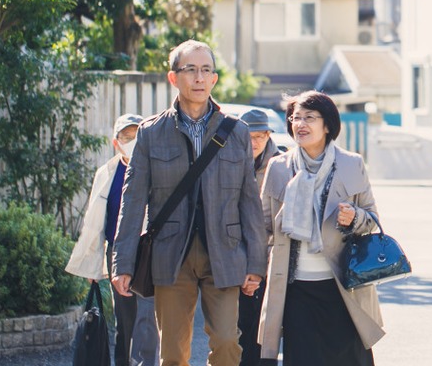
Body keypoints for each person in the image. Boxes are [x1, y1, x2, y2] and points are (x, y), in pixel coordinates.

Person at [111, 39, 267, 366]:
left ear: (214, 79)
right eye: (191, 70)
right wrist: (122, 262)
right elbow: (133, 199)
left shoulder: (236, 132)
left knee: (227, 343)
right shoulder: (151, 132)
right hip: (171, 255)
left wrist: (255, 263)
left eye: (206, 70)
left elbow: (249, 199)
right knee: (172, 353)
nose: (199, 77)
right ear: (174, 77)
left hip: (224, 251)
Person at [258, 91, 385, 366]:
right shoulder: (278, 167)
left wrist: (354, 217)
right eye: (295, 118)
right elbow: (264, 228)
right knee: (303, 358)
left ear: (327, 125)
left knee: (348, 358)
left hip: (343, 285)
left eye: (309, 118)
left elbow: (373, 218)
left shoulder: (351, 164)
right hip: (296, 288)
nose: (300, 124)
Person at [66, 114, 159, 366]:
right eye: (125, 136)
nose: (131, 141)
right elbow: (95, 221)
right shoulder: (106, 173)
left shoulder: (155, 168)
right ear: (115, 142)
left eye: (136, 135)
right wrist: (92, 265)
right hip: (118, 253)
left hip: (149, 252)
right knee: (124, 318)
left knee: (149, 318)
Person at [238, 108, 281, 366]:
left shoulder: (281, 164)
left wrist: (259, 269)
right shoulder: (227, 160)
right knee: (236, 333)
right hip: (234, 258)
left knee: (265, 334)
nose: (255, 142)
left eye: (261, 136)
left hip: (271, 259)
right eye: (249, 136)